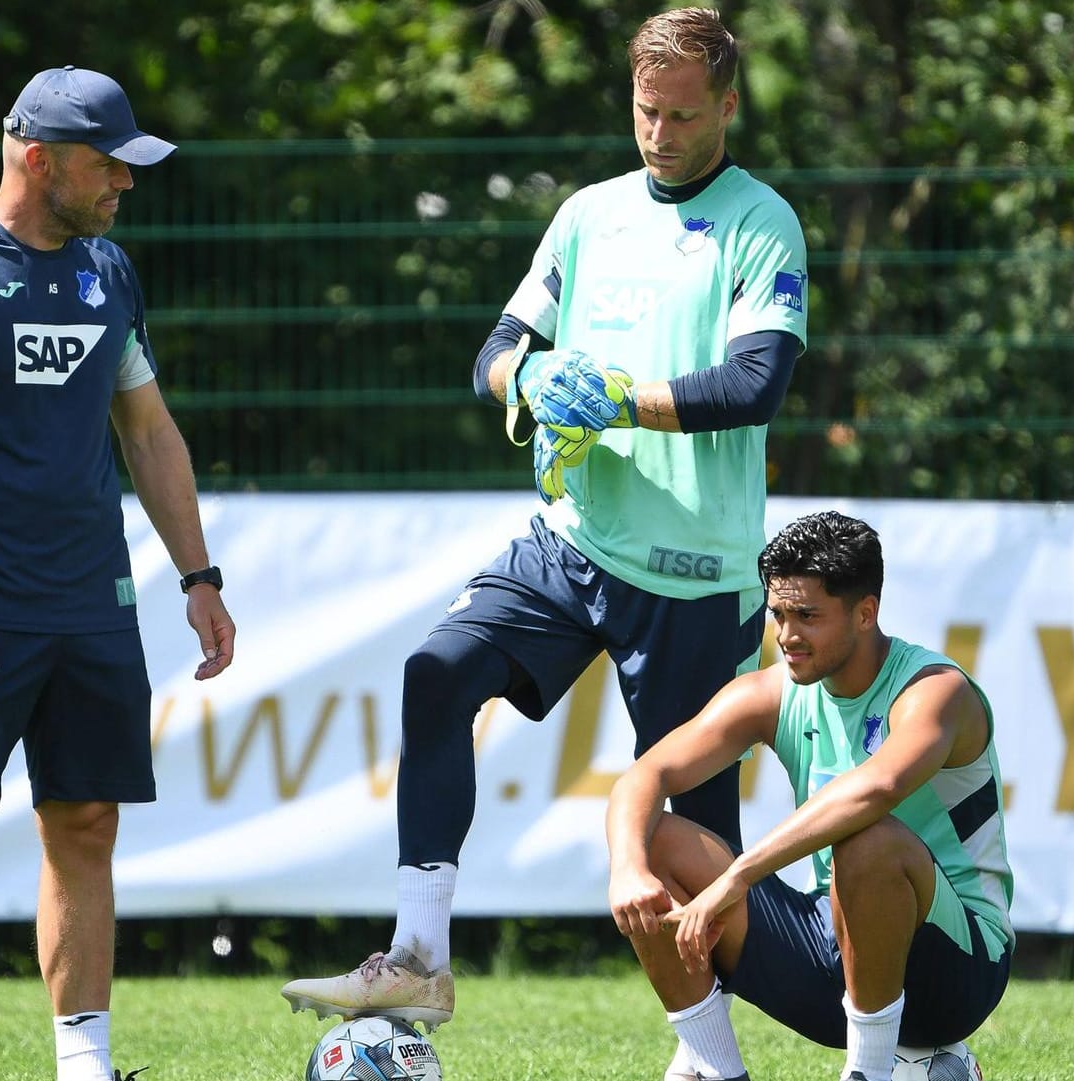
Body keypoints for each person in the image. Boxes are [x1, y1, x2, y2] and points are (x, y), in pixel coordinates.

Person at [281, 6, 808, 1032]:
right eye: (646, 111)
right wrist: (529, 383)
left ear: (729, 108)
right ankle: (420, 957)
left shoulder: (761, 223)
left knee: (686, 843)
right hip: (570, 545)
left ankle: (823, 1030)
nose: (660, 134)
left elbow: (756, 383)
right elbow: (495, 350)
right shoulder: (588, 214)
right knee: (437, 673)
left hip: (695, 577)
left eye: (685, 116)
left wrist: (610, 396)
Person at [0, 67, 235, 1081]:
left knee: (87, 823)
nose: (124, 185)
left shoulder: (110, 270)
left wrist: (198, 574)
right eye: (108, 165)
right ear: (39, 158)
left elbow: (147, 430)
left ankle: (83, 1065)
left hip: (92, 606)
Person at [605, 512, 1013, 1081]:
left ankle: (870, 1071)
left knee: (868, 839)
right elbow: (644, 777)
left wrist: (738, 874)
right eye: (778, 614)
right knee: (655, 841)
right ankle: (715, 1068)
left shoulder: (934, 690)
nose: (787, 636)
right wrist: (627, 869)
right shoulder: (771, 692)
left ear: (865, 612)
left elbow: (877, 788)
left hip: (959, 972)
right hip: (837, 958)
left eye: (807, 616)